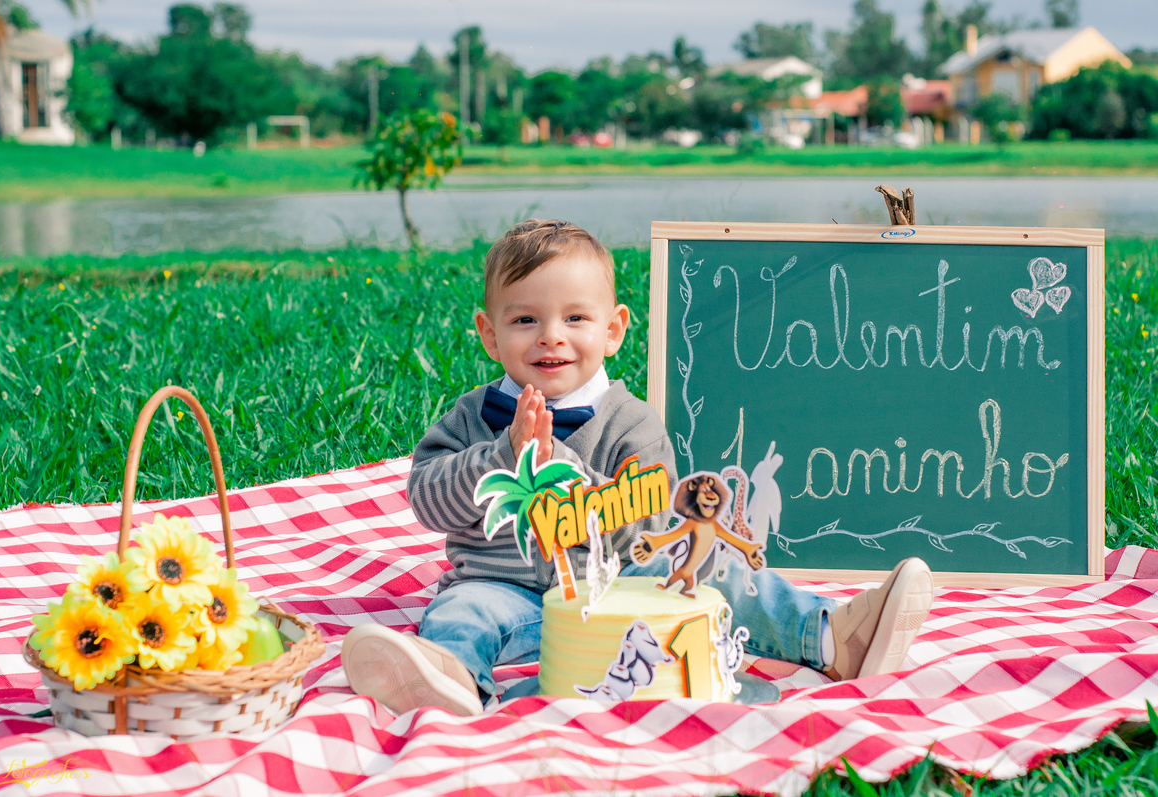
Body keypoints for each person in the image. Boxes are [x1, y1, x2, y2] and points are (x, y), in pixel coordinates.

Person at [341, 219, 934, 715]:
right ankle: (453, 682)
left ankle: (830, 635)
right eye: (525, 321)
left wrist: (561, 466)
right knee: (460, 611)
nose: (552, 338)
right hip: (504, 588)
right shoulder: (475, 416)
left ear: (614, 329)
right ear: (490, 335)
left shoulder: (632, 422)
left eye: (575, 318)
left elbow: (648, 526)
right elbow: (426, 499)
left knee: (718, 570)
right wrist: (503, 457)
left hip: (623, 585)